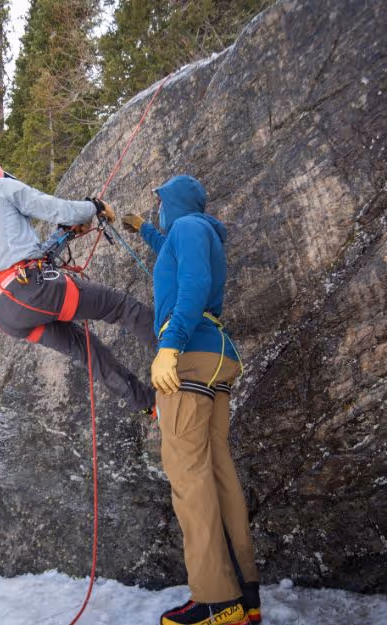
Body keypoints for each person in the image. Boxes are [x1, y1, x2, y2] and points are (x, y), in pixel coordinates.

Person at [122, 175, 262, 625]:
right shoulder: (194, 232)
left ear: (175, 202)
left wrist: (169, 346)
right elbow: (173, 254)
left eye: (159, 203)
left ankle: (217, 602)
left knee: (188, 476)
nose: (158, 210)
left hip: (190, 357)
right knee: (218, 473)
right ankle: (245, 595)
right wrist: (140, 227)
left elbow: (194, 283)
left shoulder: (188, 227)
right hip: (216, 357)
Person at [0, 156, 156, 412]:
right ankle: (184, 359)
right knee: (121, 307)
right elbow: (58, 210)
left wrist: (63, 235)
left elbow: (13, 261)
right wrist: (93, 206)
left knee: (85, 348)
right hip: (31, 290)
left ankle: (148, 404)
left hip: (4, 312)